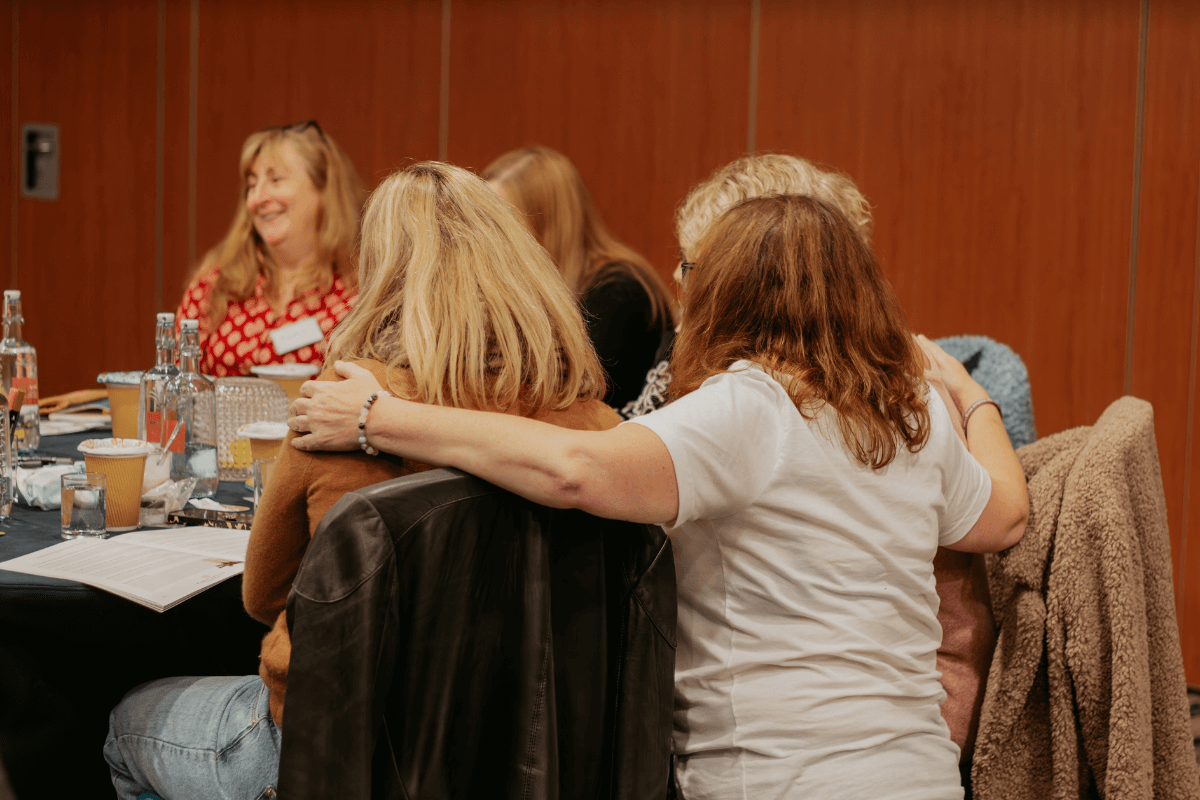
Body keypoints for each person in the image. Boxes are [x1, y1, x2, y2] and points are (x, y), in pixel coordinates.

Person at [289, 194, 1029, 799]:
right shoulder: (913, 415)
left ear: (728, 291)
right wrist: (971, 397)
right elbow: (1007, 516)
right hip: (920, 777)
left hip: (774, 779)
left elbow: (573, 468)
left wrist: (378, 417)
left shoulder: (751, 408)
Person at [104, 162, 620, 800]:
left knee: (128, 724)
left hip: (340, 749)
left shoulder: (342, 411)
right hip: (530, 749)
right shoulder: (595, 425)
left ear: (381, 273)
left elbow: (265, 595)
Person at [620, 153, 871, 419]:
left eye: (692, 264)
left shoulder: (761, 387)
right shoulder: (694, 336)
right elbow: (640, 419)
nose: (677, 275)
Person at [483, 145, 675, 407]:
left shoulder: (620, 291)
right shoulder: (519, 282)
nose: (489, 231)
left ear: (549, 220)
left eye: (504, 218)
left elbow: (587, 403)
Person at [177, 121, 367, 376]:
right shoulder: (214, 286)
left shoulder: (361, 294)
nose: (257, 199)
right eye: (252, 185)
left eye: (275, 180)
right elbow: (177, 385)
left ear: (324, 190)